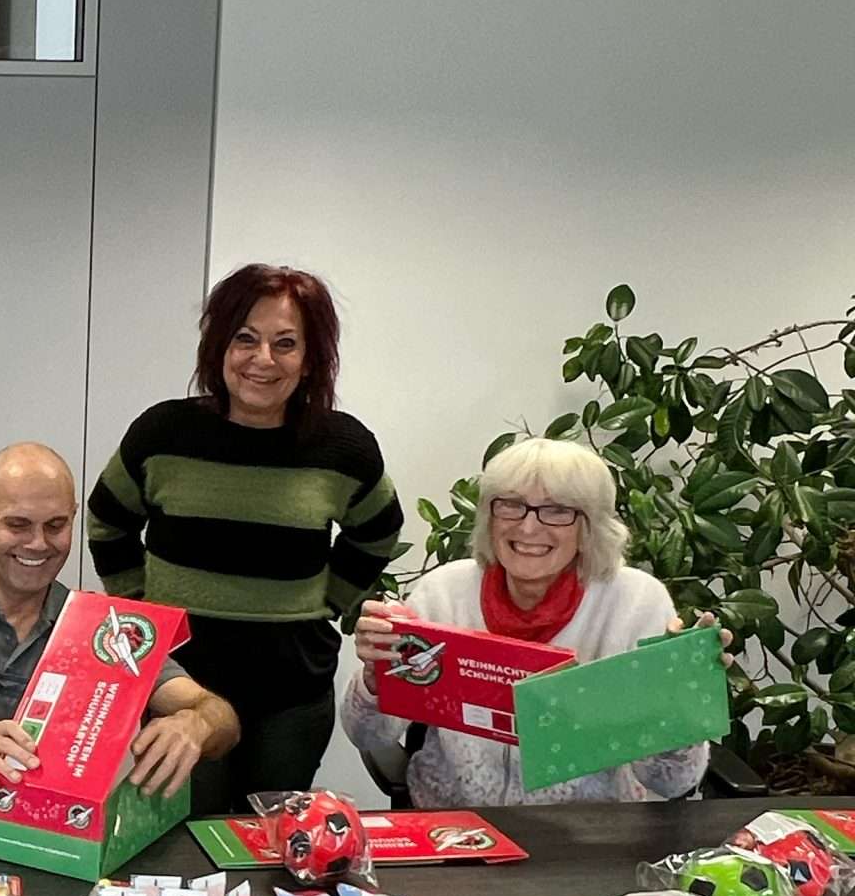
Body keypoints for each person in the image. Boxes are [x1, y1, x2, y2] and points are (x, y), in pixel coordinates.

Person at [86, 263, 403, 808]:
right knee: (183, 837)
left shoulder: (343, 447)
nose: (263, 360)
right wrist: (143, 612)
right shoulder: (162, 433)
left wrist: (331, 600)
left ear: (310, 360)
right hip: (179, 688)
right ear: (219, 347)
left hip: (290, 693)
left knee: (269, 841)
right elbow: (107, 520)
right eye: (245, 339)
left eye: (286, 344)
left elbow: (378, 529)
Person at [0, 441, 240, 820]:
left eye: (56, 526)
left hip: (65, 842)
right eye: (18, 524)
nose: (38, 543)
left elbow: (220, 716)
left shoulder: (104, 629)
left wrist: (196, 723)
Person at [342, 435, 712, 804]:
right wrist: (377, 680)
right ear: (489, 516)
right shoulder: (443, 592)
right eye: (511, 506)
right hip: (456, 827)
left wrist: (676, 710)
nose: (529, 528)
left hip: (590, 835)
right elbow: (369, 737)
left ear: (590, 528)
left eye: (558, 510)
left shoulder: (637, 602)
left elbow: (673, 782)